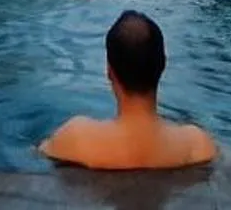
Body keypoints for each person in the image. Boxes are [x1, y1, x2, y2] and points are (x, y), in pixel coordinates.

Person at [40, 10, 218, 172]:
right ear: (163, 65)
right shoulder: (196, 145)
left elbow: (39, 154)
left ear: (109, 71)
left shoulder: (75, 138)